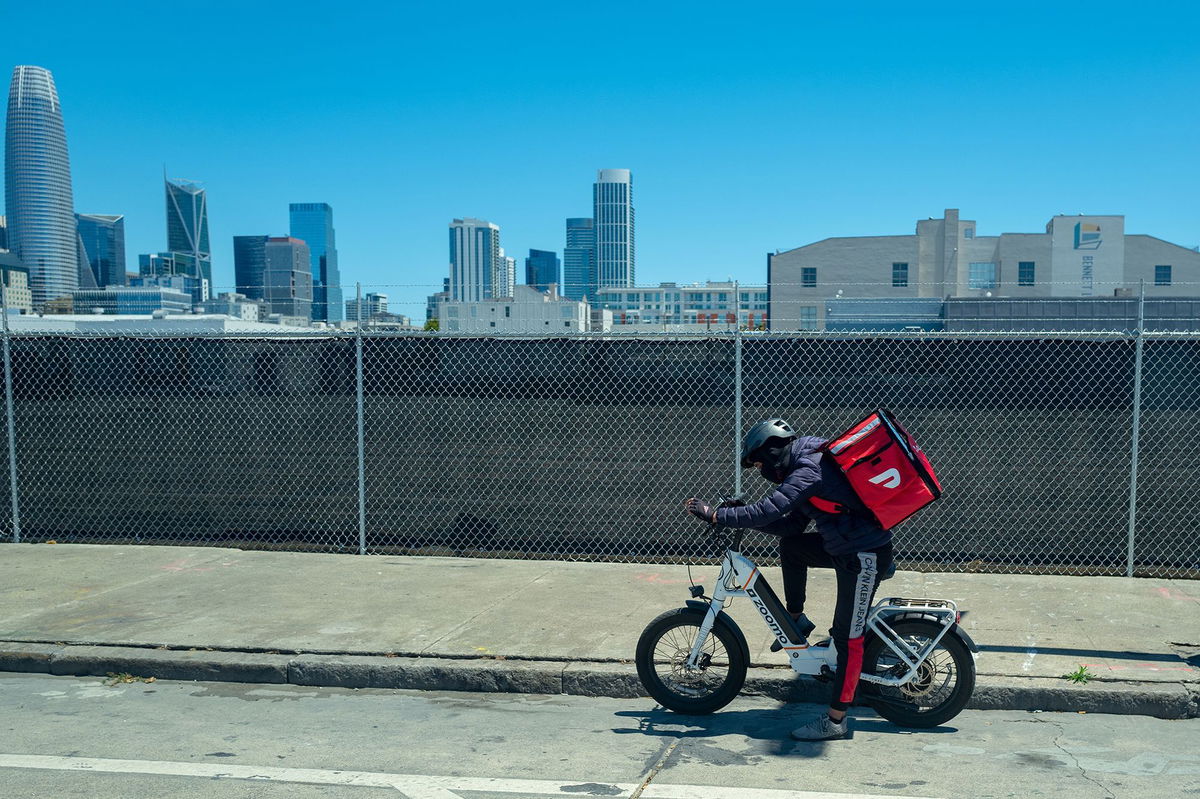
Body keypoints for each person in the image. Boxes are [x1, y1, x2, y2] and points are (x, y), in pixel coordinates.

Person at [683, 418, 894, 742]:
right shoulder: (804, 461)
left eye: (758, 462)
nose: (761, 470)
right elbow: (791, 526)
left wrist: (717, 515)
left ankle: (836, 721)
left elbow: (770, 509)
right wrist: (745, 517)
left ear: (771, 450)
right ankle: (797, 619)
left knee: (847, 637)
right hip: (846, 546)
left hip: (863, 555)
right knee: (794, 548)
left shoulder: (808, 467)